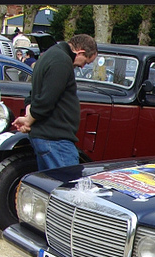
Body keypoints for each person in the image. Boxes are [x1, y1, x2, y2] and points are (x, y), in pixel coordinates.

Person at [12, 34, 98, 170]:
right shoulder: (62, 61)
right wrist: (28, 121)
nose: (82, 67)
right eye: (86, 62)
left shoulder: (48, 56)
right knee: (67, 186)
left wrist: (28, 117)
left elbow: (33, 95)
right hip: (55, 139)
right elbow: (46, 100)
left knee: (48, 187)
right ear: (80, 52)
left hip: (44, 137)